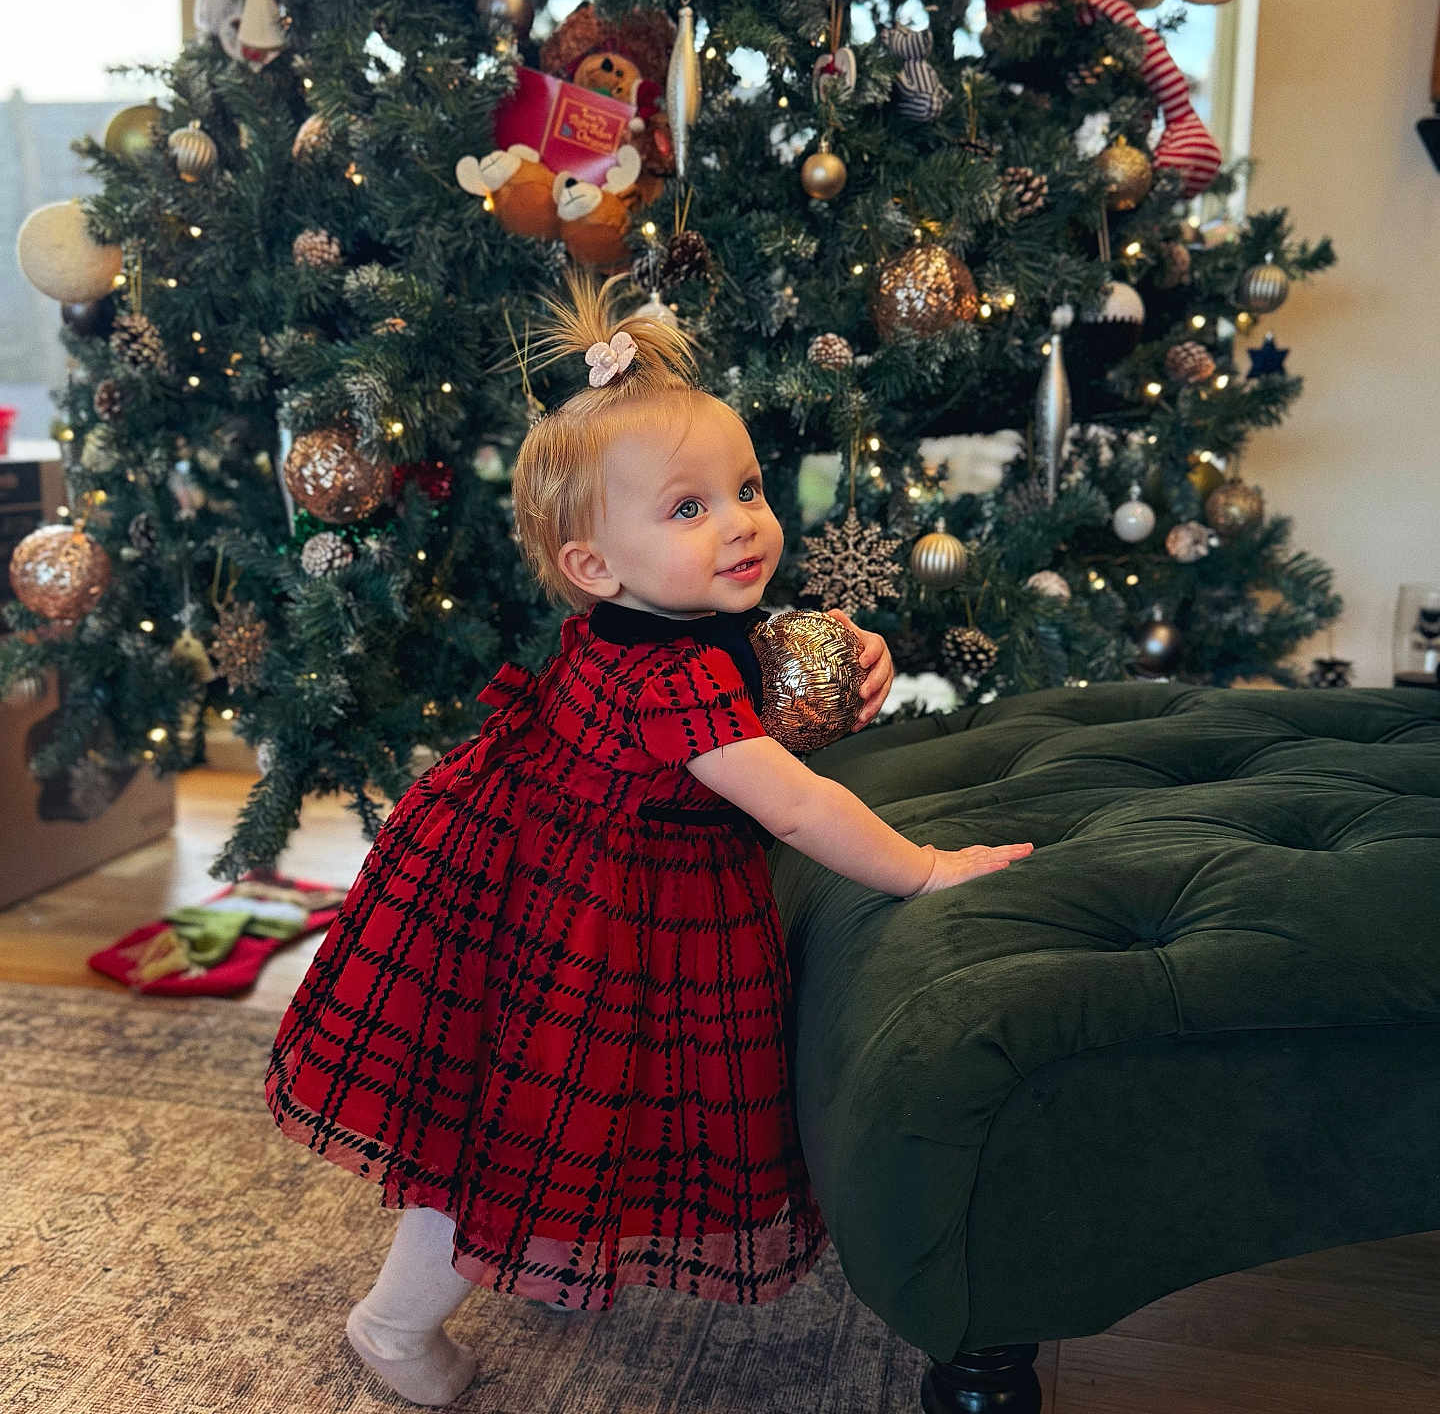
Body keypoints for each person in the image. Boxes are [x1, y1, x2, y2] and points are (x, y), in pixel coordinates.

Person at [264, 271, 1033, 1407]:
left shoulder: (666, 624)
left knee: (519, 1129)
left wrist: (848, 652)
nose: (741, 522)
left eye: (748, 488)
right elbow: (799, 804)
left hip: (535, 878)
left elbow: (770, 665)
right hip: (585, 921)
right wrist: (924, 870)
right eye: (689, 508)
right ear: (593, 566)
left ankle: (495, 1262)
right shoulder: (669, 682)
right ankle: (390, 1323)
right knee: (515, 1137)